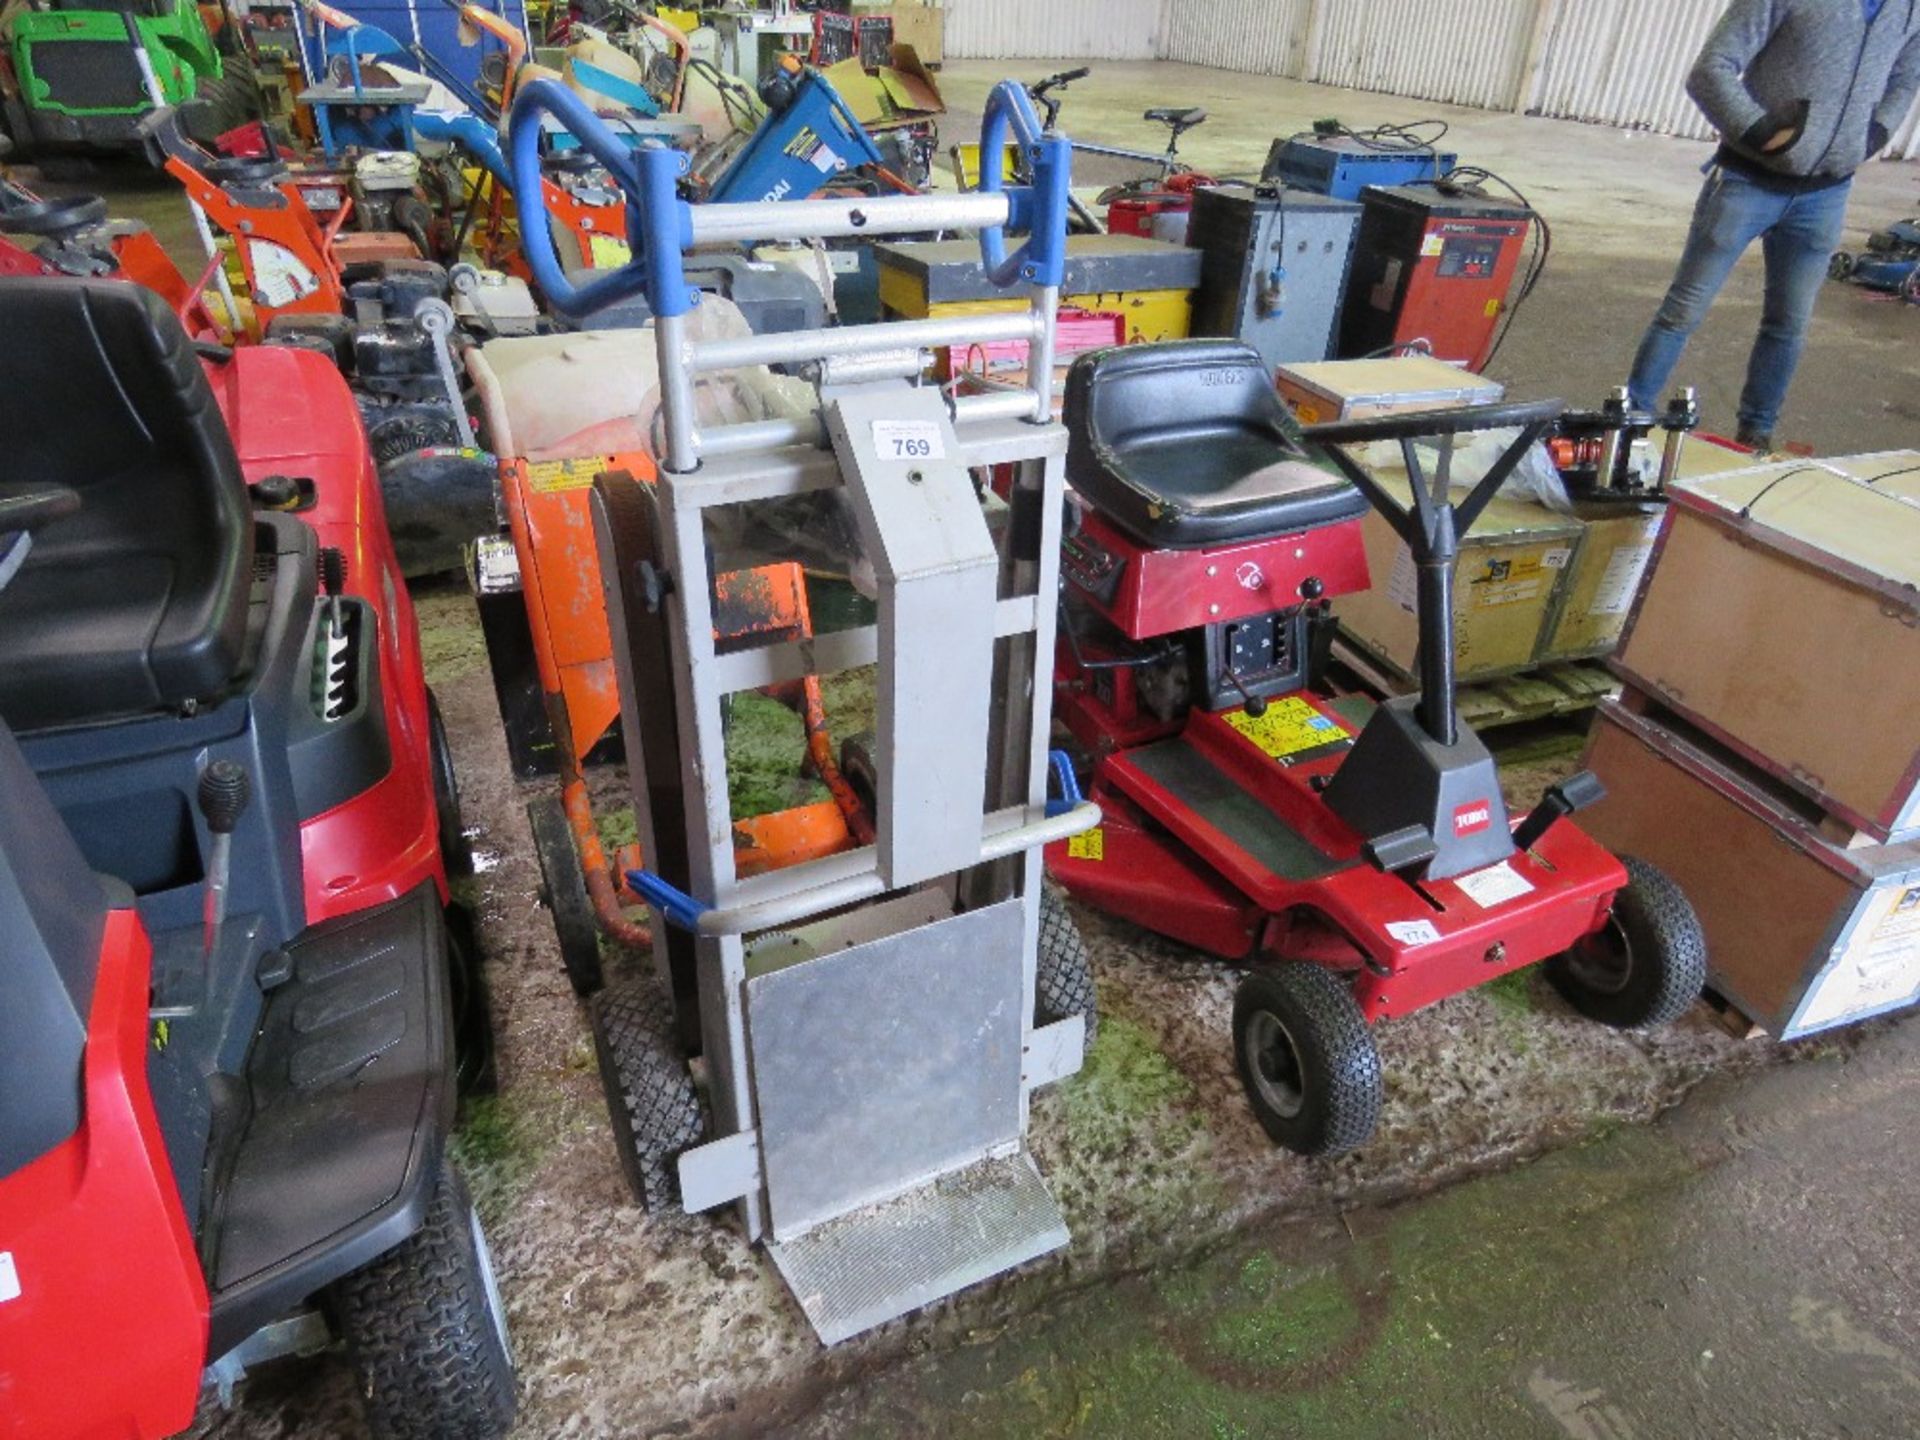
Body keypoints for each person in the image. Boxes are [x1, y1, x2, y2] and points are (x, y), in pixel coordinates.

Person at [1627, 0, 1920, 451]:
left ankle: (1756, 437)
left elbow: (1905, 78)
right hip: (1746, 181)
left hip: (1826, 193)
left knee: (1789, 324)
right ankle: (1629, 423)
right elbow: (1711, 69)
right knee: (1682, 311)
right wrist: (1758, 132)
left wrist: (1872, 136)